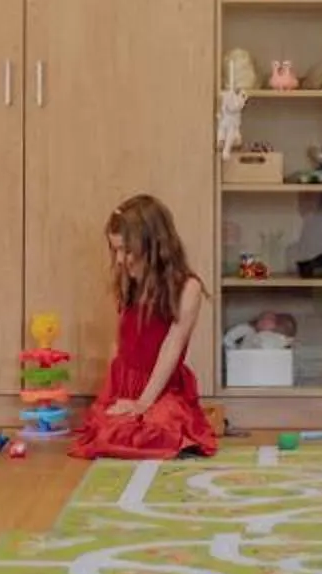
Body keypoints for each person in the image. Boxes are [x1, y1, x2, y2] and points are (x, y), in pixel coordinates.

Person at [73, 194, 220, 461]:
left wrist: (144, 402)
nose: (118, 259)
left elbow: (171, 347)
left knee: (158, 429)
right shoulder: (128, 281)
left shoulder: (188, 288)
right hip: (125, 383)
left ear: (154, 247)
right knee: (110, 431)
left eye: (126, 250)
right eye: (114, 249)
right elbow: (121, 341)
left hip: (160, 386)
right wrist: (114, 391)